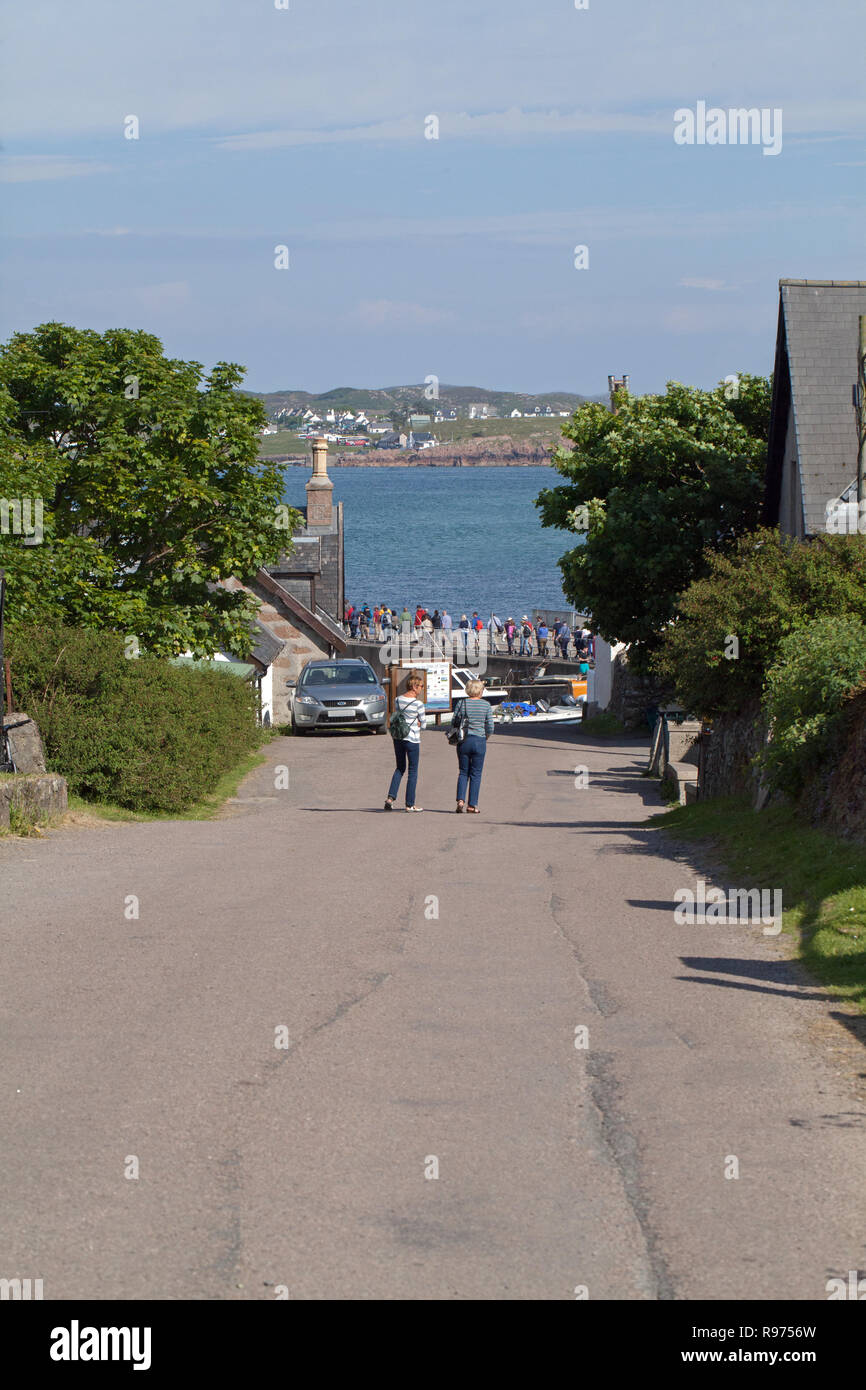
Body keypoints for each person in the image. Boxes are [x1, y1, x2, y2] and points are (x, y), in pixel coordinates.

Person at [384, 670, 426, 812]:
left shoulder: (397, 700)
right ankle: (409, 804)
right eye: (421, 686)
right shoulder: (418, 704)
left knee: (400, 768)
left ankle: (390, 798)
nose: (422, 688)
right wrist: (418, 724)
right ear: (414, 687)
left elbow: (399, 716)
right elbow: (424, 725)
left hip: (398, 737)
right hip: (412, 738)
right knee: (413, 771)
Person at [454, 678, 494, 814]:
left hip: (464, 740)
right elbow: (490, 726)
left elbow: (454, 721)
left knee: (463, 772)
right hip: (479, 740)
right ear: (479, 690)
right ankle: (472, 805)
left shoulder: (461, 703)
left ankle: (460, 800)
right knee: (476, 773)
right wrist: (486, 736)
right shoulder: (486, 705)